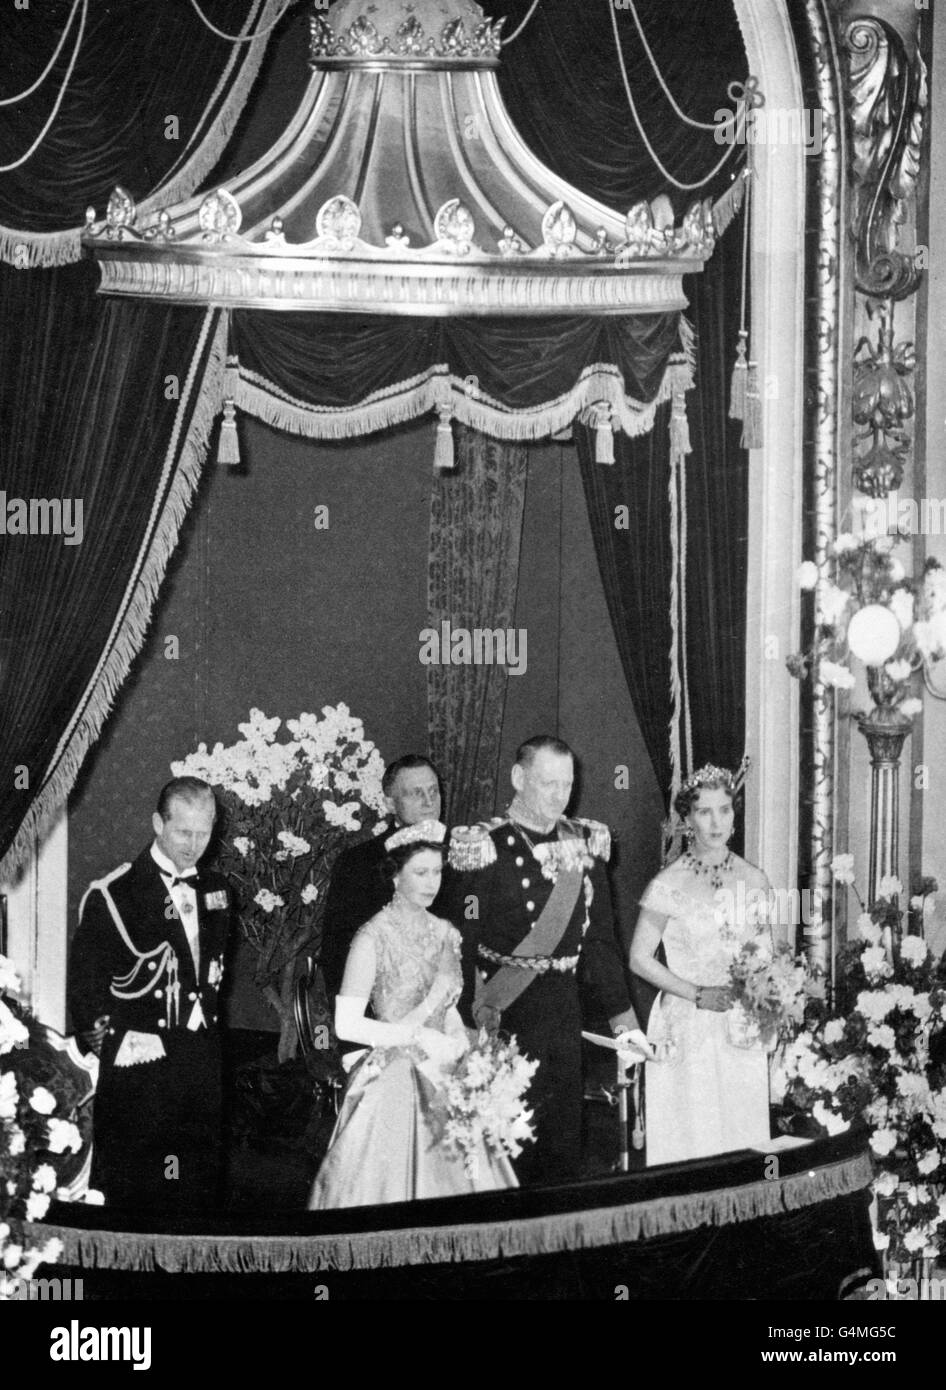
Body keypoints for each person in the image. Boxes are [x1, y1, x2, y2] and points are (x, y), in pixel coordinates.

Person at [440, 735, 650, 1186]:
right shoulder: (484, 847)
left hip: (562, 1013)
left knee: (561, 1146)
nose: (560, 796)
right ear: (518, 779)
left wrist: (624, 1023)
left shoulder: (584, 845)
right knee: (506, 1146)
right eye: (548, 783)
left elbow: (600, 946)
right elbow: (460, 944)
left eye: (567, 784)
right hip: (502, 1015)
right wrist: (464, 1031)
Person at [308, 821, 517, 1207]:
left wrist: (461, 1045)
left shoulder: (447, 933)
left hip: (444, 1060)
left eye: (437, 871)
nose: (431, 882)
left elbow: (450, 1008)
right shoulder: (372, 937)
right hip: (394, 1067)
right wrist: (419, 1036)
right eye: (420, 872)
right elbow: (346, 1024)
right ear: (395, 876)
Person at [68, 777, 232, 1213]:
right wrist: (121, 1046)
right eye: (184, 832)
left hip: (200, 1069)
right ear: (158, 823)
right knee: (138, 1198)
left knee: (195, 1194)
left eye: (204, 833)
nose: (194, 845)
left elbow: (210, 981)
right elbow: (85, 997)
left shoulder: (218, 890)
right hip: (142, 1073)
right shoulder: (113, 895)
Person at [629, 762, 773, 1166]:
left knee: (742, 1145)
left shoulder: (754, 879)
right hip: (688, 1020)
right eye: (705, 811)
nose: (716, 822)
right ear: (688, 818)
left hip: (741, 1025)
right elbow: (639, 958)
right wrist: (696, 994)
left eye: (724, 810)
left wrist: (764, 998)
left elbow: (764, 954)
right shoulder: (668, 884)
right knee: (694, 1143)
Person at [318, 754, 442, 1001]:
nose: (429, 802)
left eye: (434, 791)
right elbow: (338, 949)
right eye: (416, 793)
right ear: (391, 803)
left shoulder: (462, 856)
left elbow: (473, 915)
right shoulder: (359, 863)